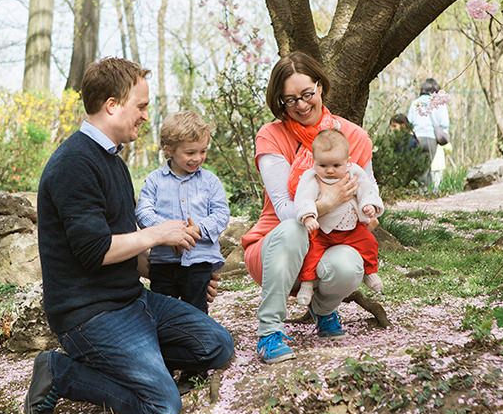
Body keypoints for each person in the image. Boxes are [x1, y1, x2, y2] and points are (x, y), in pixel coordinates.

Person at [24, 57, 235, 414]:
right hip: (90, 314)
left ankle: (136, 360)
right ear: (111, 105)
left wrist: (182, 275)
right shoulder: (74, 164)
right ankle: (60, 372)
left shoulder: (114, 162)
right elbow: (95, 252)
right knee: (162, 406)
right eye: (140, 106)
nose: (144, 116)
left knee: (217, 345)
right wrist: (159, 232)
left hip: (133, 300)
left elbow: (128, 246)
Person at [240, 52, 376, 364]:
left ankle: (323, 309)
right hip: (275, 246)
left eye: (306, 95)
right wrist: (327, 202)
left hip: (332, 241)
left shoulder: (353, 137)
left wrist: (369, 214)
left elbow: (368, 192)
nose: (301, 106)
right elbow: (285, 209)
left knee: (348, 266)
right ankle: (270, 330)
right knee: (293, 226)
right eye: (290, 100)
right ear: (280, 102)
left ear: (320, 87)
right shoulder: (271, 135)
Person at [136, 110, 229, 315]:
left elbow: (221, 213)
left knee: (196, 310)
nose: (197, 158)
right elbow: (143, 211)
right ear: (169, 150)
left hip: (199, 262)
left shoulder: (210, 182)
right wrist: (169, 231)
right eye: (190, 153)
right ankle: (166, 343)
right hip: (163, 263)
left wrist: (199, 228)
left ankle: (197, 344)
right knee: (161, 310)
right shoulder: (154, 181)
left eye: (202, 151)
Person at [294, 129, 384, 306]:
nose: (329, 171)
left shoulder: (355, 172)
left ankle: (370, 271)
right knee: (311, 254)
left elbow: (366, 190)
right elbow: (303, 198)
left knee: (369, 243)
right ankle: (307, 283)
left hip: (351, 229)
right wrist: (309, 216)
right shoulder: (311, 177)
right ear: (314, 162)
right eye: (323, 165)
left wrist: (369, 205)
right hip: (323, 230)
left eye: (336, 166)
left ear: (347, 161)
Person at [406, 78, 450, 188]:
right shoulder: (439, 104)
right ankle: (426, 192)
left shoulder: (415, 103)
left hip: (417, 138)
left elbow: (409, 122)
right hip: (431, 139)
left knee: (420, 168)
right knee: (428, 167)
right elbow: (444, 123)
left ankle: (422, 191)